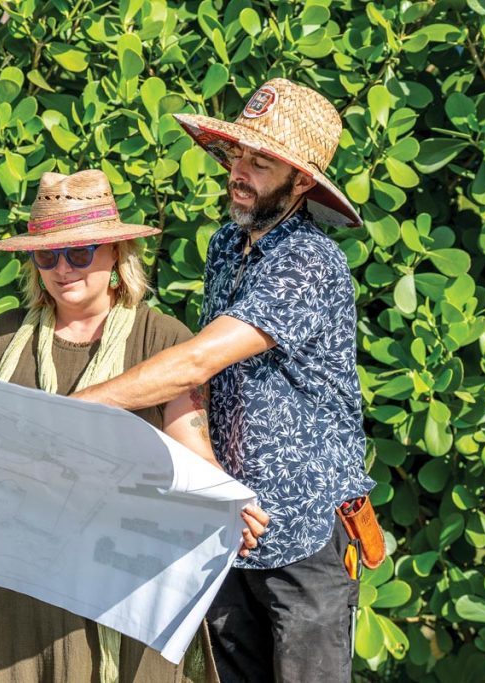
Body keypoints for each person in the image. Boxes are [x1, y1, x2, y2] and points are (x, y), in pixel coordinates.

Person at [0, 169, 269, 683]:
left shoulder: (161, 337)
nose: (63, 268)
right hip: (21, 590)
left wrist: (228, 501)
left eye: (80, 252)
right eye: (47, 255)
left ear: (116, 254)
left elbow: (192, 447)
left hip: (123, 583)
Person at [72, 79, 377, 682]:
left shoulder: (310, 261)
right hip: (236, 523)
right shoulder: (226, 245)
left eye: (262, 163)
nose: (240, 170)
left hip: (307, 529)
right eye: (238, 154)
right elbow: (212, 388)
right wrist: (213, 482)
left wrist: (76, 407)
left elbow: (196, 363)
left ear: (303, 182)